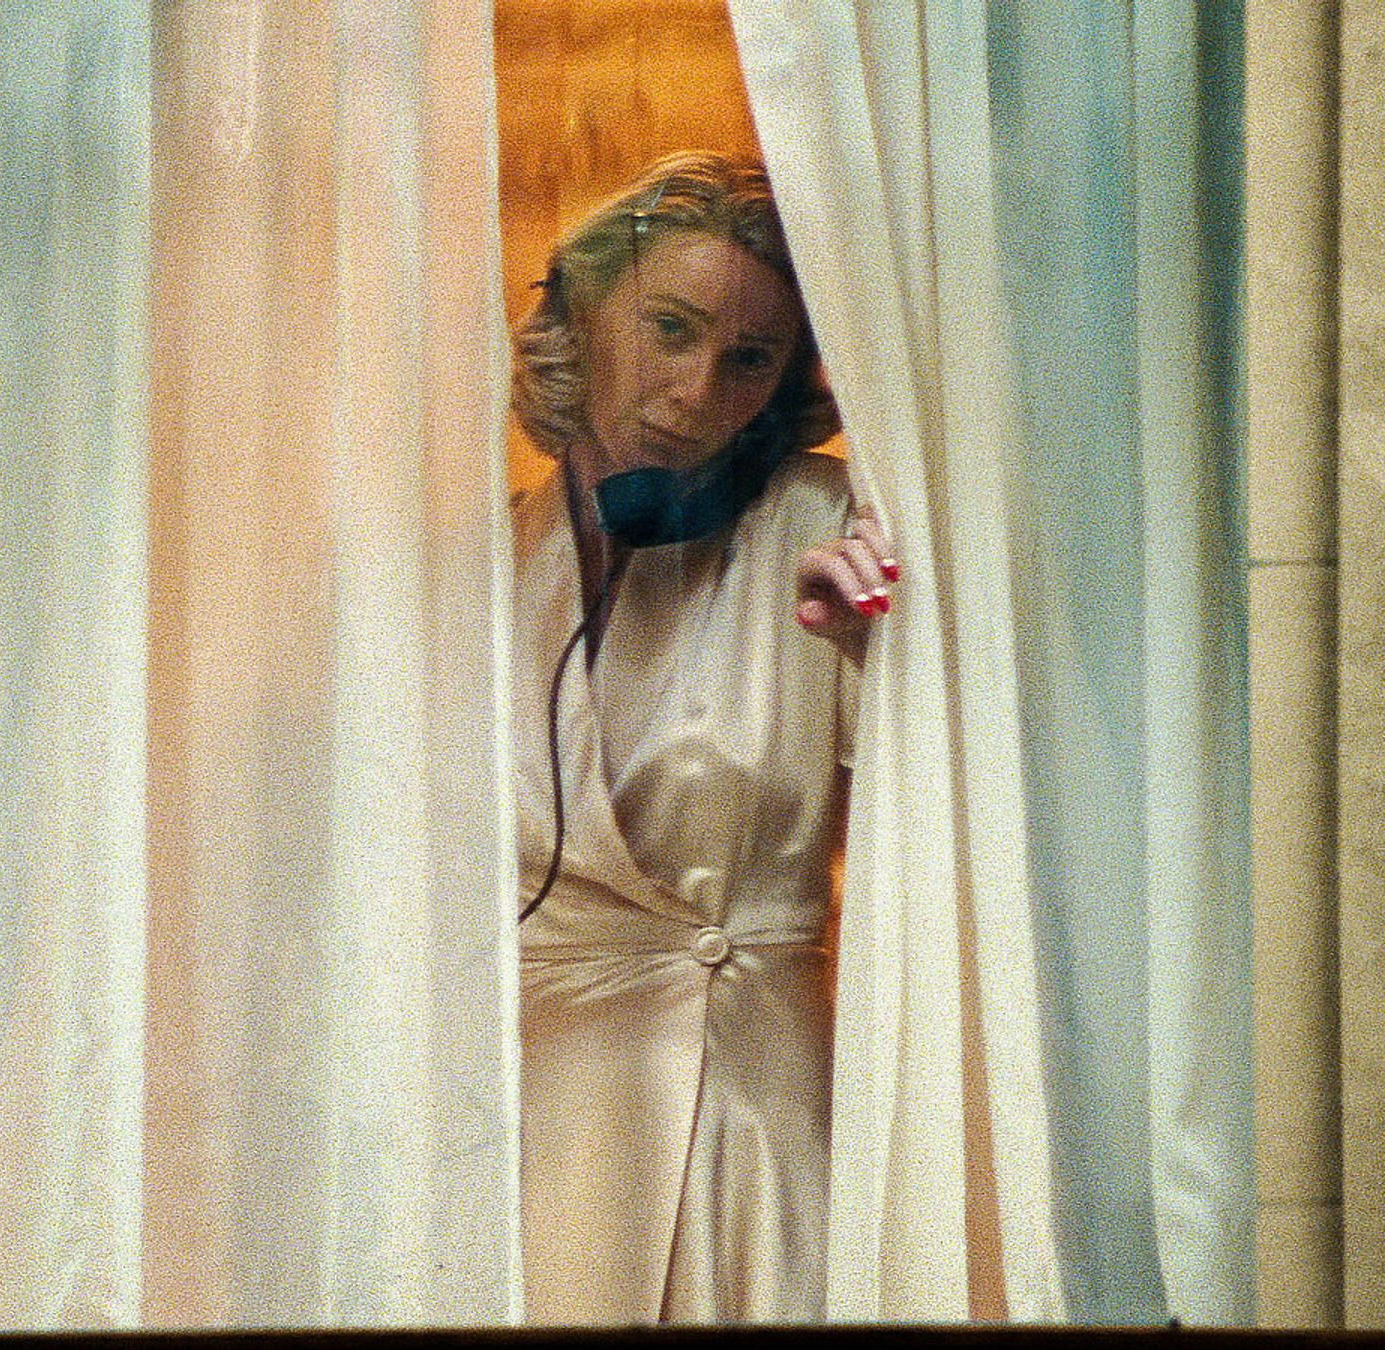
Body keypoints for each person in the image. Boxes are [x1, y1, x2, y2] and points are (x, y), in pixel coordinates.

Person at [509, 151, 896, 1323]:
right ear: (581, 314)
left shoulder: (815, 525)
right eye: (670, 329)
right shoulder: (479, 563)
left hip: (746, 1114)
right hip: (527, 1125)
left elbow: (942, 791)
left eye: (750, 360)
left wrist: (880, 652)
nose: (695, 389)